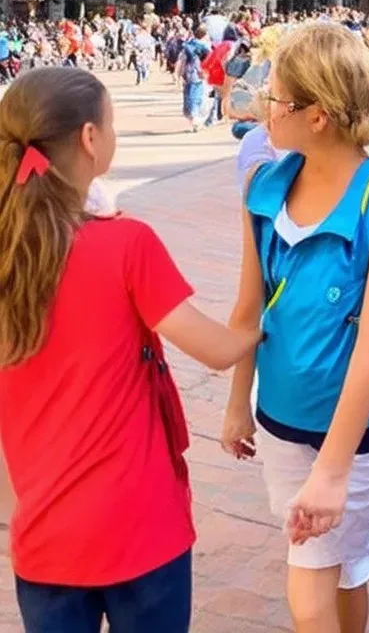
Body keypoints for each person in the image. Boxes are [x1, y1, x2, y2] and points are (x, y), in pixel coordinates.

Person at [0, 68, 258, 633]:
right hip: (141, 525)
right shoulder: (124, 245)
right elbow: (218, 348)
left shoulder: (10, 253)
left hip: (45, 530)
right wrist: (264, 312)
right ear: (90, 138)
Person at [220, 23, 369, 633]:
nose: (263, 108)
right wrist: (237, 402)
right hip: (281, 421)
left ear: (317, 115)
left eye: (275, 99)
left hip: (356, 435)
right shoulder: (264, 187)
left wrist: (334, 470)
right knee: (338, 567)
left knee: (312, 580)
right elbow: (247, 309)